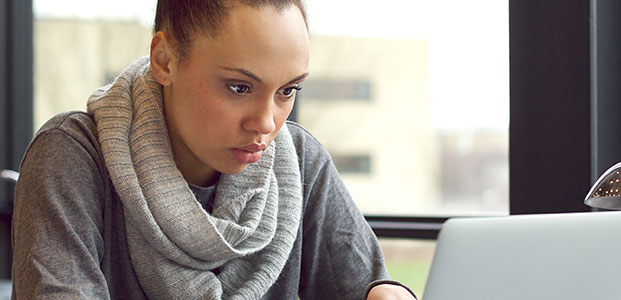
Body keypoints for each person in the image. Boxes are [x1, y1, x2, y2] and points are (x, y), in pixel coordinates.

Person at [11, 0, 417, 299]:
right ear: (165, 60)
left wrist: (386, 293)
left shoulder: (301, 161)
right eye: (239, 87)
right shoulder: (71, 156)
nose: (267, 122)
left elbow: (369, 285)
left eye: (287, 90)